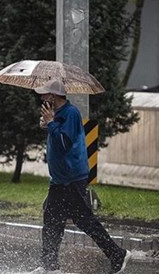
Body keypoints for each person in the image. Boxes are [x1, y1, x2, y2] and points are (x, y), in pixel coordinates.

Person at [33, 79, 131, 274]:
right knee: (52, 220)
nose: (42, 97)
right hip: (60, 179)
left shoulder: (70, 113)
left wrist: (51, 123)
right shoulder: (58, 113)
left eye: (45, 94)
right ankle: (50, 266)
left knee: (83, 220)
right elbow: (56, 135)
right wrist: (47, 123)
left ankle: (117, 255)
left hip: (71, 178)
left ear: (53, 95)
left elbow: (64, 143)